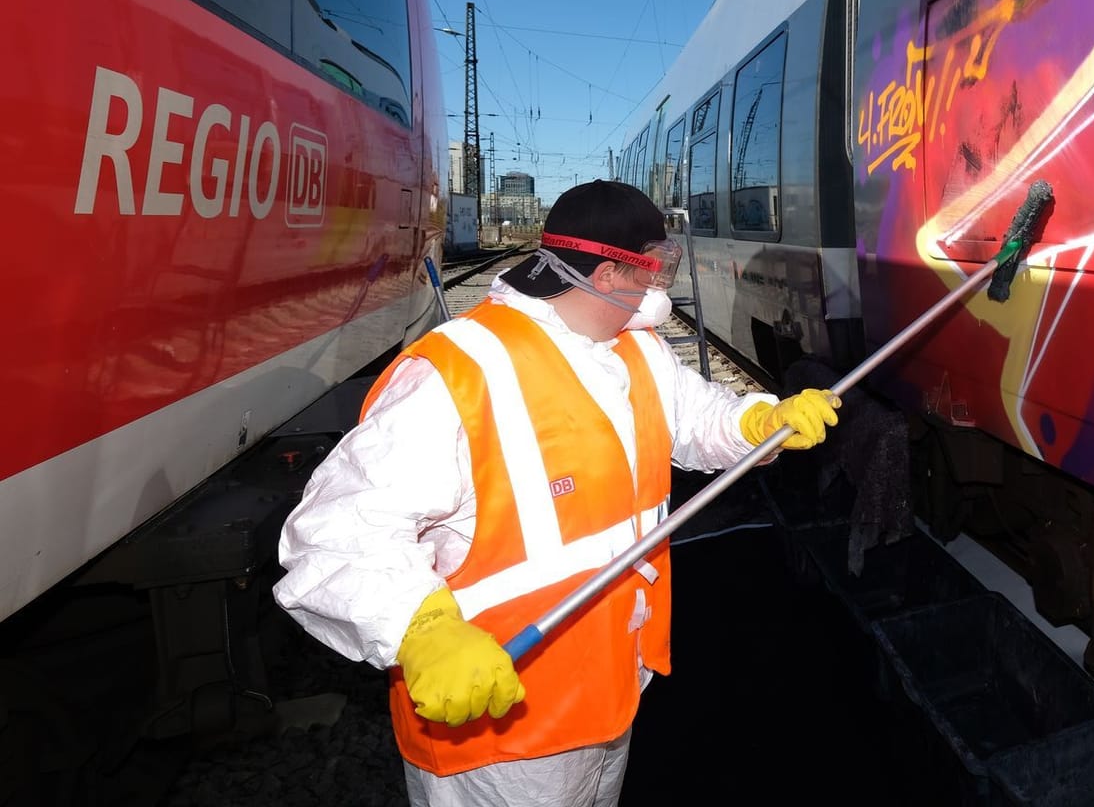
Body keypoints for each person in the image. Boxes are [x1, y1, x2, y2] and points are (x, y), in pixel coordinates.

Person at [273, 179, 840, 807]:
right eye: (655, 269)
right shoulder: (462, 374)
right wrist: (421, 629)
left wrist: (760, 423)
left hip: (610, 688)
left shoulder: (636, 351)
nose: (661, 289)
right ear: (606, 273)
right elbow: (334, 531)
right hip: (500, 722)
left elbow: (698, 419)